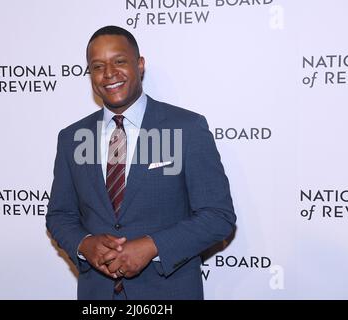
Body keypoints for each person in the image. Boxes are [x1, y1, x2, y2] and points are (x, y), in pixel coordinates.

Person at [46, 25, 236, 300]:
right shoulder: (72, 138)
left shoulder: (186, 128)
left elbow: (218, 216)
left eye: (119, 61)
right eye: (98, 66)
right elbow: (60, 215)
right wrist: (85, 244)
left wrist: (152, 246)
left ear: (140, 65)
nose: (109, 73)